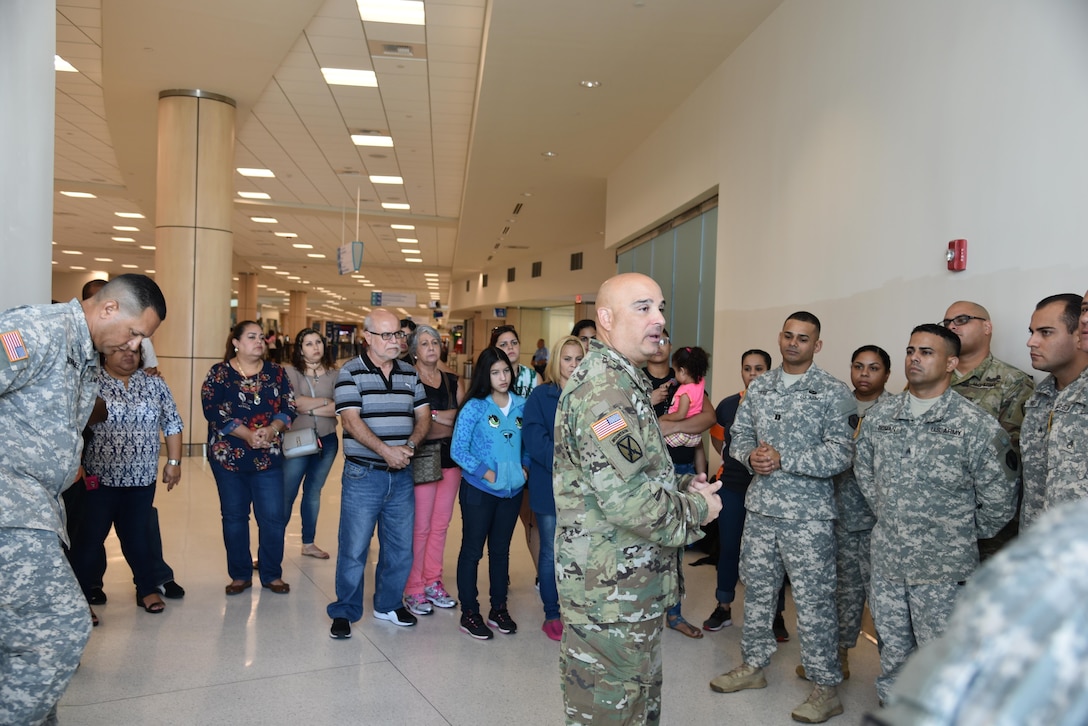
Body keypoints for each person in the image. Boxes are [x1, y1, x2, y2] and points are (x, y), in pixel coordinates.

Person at [554, 272, 722, 725]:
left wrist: (686, 486)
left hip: (628, 588)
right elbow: (629, 500)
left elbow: (634, 472)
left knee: (636, 706)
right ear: (605, 319)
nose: (659, 319)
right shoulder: (603, 395)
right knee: (613, 713)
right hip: (610, 594)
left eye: (661, 307)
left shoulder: (624, 383)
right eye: (643, 308)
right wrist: (698, 510)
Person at [1, 273, 166, 726]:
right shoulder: (38, 330)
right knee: (60, 627)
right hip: (10, 505)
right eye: (135, 332)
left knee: (20, 637)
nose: (135, 346)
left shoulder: (86, 355)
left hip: (37, 503)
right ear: (109, 308)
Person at [855, 323, 1018, 705]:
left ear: (950, 363)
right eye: (911, 350)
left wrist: (951, 532)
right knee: (893, 654)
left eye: (927, 352)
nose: (915, 357)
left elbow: (1000, 500)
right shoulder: (881, 417)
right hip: (889, 562)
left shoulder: (974, 425)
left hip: (945, 570)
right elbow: (865, 473)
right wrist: (896, 517)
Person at [710, 311, 854, 725]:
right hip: (761, 510)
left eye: (803, 338)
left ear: (817, 345)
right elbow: (739, 437)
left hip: (808, 517)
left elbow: (841, 453)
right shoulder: (761, 387)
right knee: (757, 592)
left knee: (814, 601)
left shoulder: (832, 391)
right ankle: (753, 667)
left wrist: (785, 458)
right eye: (788, 336)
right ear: (780, 338)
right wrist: (749, 456)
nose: (794, 344)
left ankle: (826, 687)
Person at [877, 496, 1088, 725]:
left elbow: (999, 499)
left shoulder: (1068, 540)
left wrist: (961, 527)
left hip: (946, 563)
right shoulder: (1063, 530)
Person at [71, 279, 182, 606]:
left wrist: (173, 463)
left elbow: (173, 421)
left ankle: (147, 588)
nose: (131, 349)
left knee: (138, 538)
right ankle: (82, 597)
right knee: (89, 541)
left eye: (137, 345)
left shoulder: (153, 384)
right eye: (125, 343)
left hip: (140, 478)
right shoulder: (89, 380)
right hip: (97, 479)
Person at [328, 309, 430, 640]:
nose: (395, 341)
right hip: (364, 476)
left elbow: (424, 416)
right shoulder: (350, 372)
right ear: (368, 337)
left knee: (400, 547)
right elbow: (351, 422)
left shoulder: (409, 373)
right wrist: (387, 450)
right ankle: (345, 609)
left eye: (398, 334)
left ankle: (388, 604)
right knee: (355, 547)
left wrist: (410, 447)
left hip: (401, 475)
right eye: (386, 335)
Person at [796, 345, 892, 681]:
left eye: (873, 368)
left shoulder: (894, 411)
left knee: (883, 601)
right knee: (839, 593)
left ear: (886, 374)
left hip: (875, 519)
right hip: (831, 510)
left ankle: (896, 676)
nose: (864, 374)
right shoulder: (835, 402)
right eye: (858, 366)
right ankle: (836, 658)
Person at [201, 320, 295, 597]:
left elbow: (289, 405)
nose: (259, 341)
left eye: (262, 337)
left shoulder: (276, 373)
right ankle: (240, 575)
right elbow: (212, 410)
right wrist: (246, 434)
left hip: (268, 457)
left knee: (273, 518)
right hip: (229, 457)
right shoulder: (219, 373)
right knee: (234, 517)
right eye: (252, 337)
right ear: (236, 342)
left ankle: (271, 573)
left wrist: (271, 429)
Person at [703, 349, 787, 636]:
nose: (753, 374)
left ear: (770, 371)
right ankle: (723, 606)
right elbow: (719, 445)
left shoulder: (782, 403)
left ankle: (776, 615)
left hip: (769, 489)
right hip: (735, 488)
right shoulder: (727, 406)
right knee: (729, 547)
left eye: (759, 369)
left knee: (772, 554)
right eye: (748, 368)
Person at [941, 300, 1034, 558]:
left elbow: (1010, 455)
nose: (952, 327)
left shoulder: (1012, 381)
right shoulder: (932, 377)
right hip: (934, 516)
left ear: (987, 327)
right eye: (947, 322)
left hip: (987, 520)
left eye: (961, 320)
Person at [450, 347, 529, 640]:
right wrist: (487, 472)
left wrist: (526, 470)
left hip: (512, 492)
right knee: (472, 551)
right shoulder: (475, 407)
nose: (502, 377)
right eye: (495, 372)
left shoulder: (522, 405)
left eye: (506, 370)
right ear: (486, 374)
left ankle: (499, 608)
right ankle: (469, 611)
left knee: (500, 551)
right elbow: (458, 449)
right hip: (480, 491)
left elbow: (529, 445)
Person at [523, 335, 584, 641]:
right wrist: (569, 462)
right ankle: (551, 613)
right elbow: (535, 441)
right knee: (550, 552)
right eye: (567, 359)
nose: (573, 366)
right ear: (556, 360)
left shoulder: (591, 395)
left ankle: (577, 610)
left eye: (578, 360)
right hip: (549, 486)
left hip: (585, 490)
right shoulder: (540, 396)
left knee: (579, 553)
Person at [402, 325, 463, 616]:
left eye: (435, 342)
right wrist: (438, 419)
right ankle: (413, 587)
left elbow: (461, 421)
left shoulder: (452, 380)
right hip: (422, 457)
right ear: (414, 350)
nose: (430, 347)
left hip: (450, 459)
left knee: (441, 525)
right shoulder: (406, 379)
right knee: (421, 527)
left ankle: (433, 581)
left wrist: (431, 416)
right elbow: (413, 424)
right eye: (424, 343)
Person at [1019, 294, 1088, 530]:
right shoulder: (1039, 399)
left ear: (1079, 333)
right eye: (1032, 332)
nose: (1032, 342)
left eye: (1045, 332)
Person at [490, 324, 543, 579]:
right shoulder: (487, 378)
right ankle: (501, 573)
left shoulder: (532, 378)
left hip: (526, 458)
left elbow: (540, 419)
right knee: (499, 523)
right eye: (503, 344)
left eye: (514, 343)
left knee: (529, 520)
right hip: (497, 459)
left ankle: (540, 574)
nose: (510, 348)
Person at [283, 328, 339, 560]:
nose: (315, 347)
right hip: (297, 440)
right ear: (300, 348)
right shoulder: (290, 371)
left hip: (327, 441)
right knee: (287, 493)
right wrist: (326, 402)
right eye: (308, 343)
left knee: (313, 492)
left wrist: (311, 404)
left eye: (318, 342)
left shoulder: (336, 374)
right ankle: (272, 544)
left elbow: (341, 406)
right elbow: (294, 403)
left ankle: (308, 543)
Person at [660, 345, 710, 448]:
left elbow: (680, 415)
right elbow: (679, 380)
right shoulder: (700, 382)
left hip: (681, 435)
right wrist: (671, 382)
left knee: (655, 438)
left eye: (675, 371)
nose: (675, 375)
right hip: (695, 434)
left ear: (682, 371)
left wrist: (662, 418)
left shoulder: (684, 392)